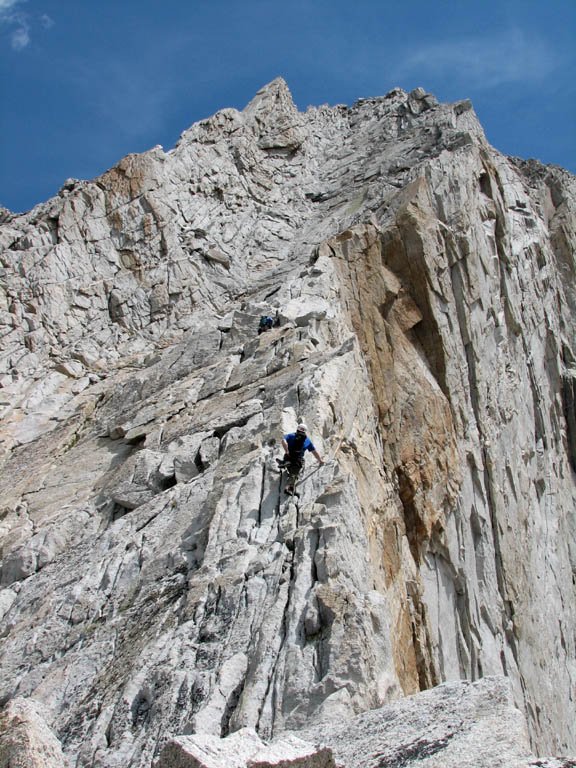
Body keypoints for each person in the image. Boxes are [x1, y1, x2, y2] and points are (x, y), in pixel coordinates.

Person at [277, 423, 324, 494]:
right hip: (297, 461)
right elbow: (314, 452)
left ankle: (286, 462)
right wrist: (320, 460)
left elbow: (283, 441)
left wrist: (286, 450)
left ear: (297, 429)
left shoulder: (291, 435)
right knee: (294, 473)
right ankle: (288, 487)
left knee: (290, 463)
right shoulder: (307, 441)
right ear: (305, 431)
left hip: (288, 457)